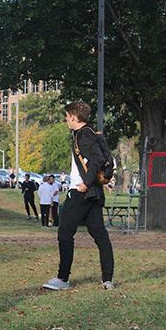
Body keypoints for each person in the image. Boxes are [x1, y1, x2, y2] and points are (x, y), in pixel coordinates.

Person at [43, 101, 115, 291]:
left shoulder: (83, 135)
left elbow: (98, 159)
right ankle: (107, 279)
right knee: (100, 235)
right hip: (95, 194)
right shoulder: (91, 133)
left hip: (82, 192)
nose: (66, 119)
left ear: (74, 117)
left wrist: (85, 183)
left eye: (67, 116)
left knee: (65, 233)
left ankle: (63, 278)